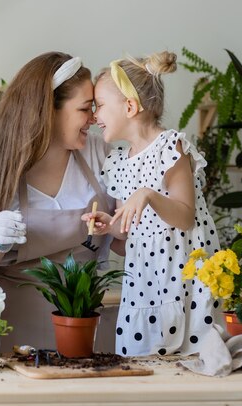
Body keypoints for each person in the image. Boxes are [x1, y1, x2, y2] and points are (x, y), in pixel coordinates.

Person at [0, 52, 117, 352]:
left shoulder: (99, 154)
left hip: (81, 320)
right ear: (48, 111)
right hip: (10, 327)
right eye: (85, 109)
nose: (94, 118)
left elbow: (124, 236)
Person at [82, 51, 222, 356]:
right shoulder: (119, 162)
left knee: (190, 358)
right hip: (145, 284)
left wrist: (148, 194)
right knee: (145, 358)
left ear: (130, 106)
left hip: (185, 281)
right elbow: (125, 235)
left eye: (100, 106)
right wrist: (109, 225)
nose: (94, 116)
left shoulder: (170, 148)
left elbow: (185, 217)